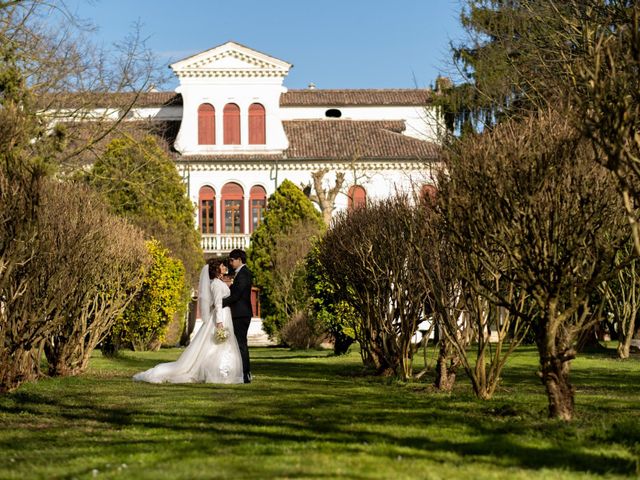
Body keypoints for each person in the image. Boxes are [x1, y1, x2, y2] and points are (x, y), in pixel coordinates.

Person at [132, 259, 243, 384]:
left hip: (224, 315)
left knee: (219, 345)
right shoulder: (216, 284)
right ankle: (217, 372)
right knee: (216, 345)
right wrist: (219, 322)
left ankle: (221, 371)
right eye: (222, 265)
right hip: (221, 316)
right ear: (217, 269)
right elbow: (218, 303)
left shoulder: (217, 282)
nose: (224, 267)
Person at [223, 249, 253, 383]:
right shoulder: (240, 274)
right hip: (239, 313)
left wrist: (220, 303)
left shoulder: (244, 274)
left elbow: (236, 296)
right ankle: (241, 372)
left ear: (239, 260)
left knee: (240, 344)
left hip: (241, 314)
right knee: (238, 344)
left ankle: (245, 373)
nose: (230, 262)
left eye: (232, 260)